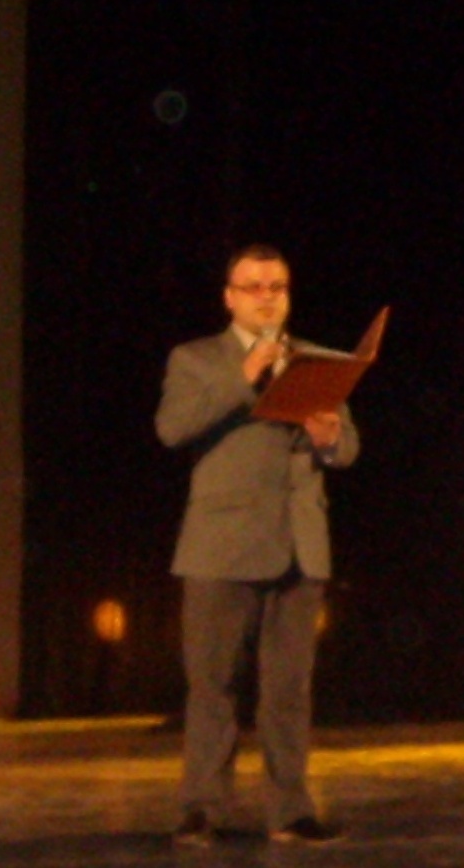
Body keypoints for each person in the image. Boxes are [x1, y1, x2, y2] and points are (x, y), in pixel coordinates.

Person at [155, 244, 359, 847]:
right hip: (222, 545)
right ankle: (203, 807)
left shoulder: (318, 360)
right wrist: (244, 376)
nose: (267, 297)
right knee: (213, 685)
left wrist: (329, 437)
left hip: (299, 542)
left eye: (277, 287)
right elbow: (171, 429)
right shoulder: (197, 359)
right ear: (229, 297)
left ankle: (291, 810)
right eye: (254, 287)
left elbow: (348, 449)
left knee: (289, 690)